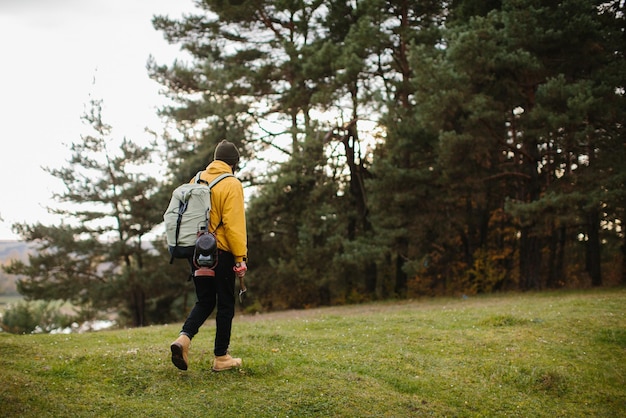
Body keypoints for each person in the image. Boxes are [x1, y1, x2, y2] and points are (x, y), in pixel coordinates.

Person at [170, 140, 248, 372]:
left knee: (204, 300)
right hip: (220, 252)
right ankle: (221, 357)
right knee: (225, 303)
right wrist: (240, 257)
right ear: (234, 163)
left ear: (215, 159)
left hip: (196, 251)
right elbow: (234, 225)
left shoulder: (197, 180)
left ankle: (183, 339)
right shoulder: (231, 184)